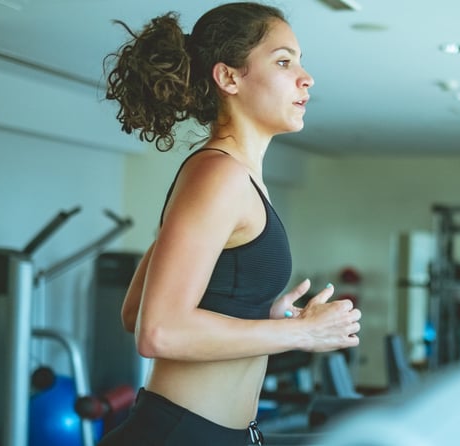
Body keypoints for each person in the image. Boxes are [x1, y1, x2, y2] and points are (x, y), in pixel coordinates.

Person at [97, 2, 362, 445]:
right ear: (229, 78)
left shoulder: (238, 176)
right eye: (283, 61)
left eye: (300, 60)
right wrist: (300, 331)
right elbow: (156, 331)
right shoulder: (218, 175)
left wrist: (263, 313)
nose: (306, 77)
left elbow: (134, 311)